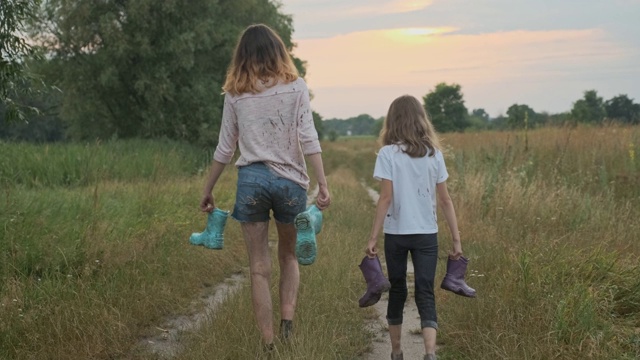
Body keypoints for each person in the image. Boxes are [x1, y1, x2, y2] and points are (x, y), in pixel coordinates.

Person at [198, 24, 331, 349]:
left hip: (251, 182)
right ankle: (287, 321)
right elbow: (307, 137)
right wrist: (322, 184)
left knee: (258, 267)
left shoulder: (235, 92)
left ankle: (268, 342)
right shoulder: (296, 87)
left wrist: (208, 188)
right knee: (288, 256)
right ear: (278, 51)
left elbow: (225, 148)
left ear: (241, 55)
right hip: (290, 183)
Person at [365, 95, 463, 360]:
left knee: (397, 290)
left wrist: (373, 237)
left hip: (396, 234)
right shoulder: (434, 155)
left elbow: (385, 198)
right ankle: (430, 353)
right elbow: (445, 200)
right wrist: (456, 241)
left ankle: (396, 352)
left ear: (392, 120)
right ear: (422, 119)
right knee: (425, 290)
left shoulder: (387, 154)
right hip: (426, 234)